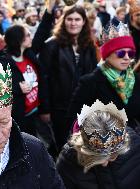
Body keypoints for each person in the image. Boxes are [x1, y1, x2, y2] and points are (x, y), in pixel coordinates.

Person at [38, 5, 98, 151]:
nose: (73, 23)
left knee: (83, 146)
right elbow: (43, 78)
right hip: (59, 107)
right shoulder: (52, 44)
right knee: (64, 147)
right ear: (63, 21)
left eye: (77, 19)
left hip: (85, 106)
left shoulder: (89, 44)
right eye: (69, 19)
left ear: (84, 21)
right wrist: (45, 108)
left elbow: (94, 75)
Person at [67, 23, 140, 132]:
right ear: (107, 54)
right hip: (103, 144)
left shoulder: (136, 79)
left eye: (130, 53)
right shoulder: (90, 82)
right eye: (120, 53)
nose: (126, 57)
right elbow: (74, 120)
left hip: (134, 143)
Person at [56, 100, 140, 189]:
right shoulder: (69, 159)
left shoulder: (134, 143)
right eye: (96, 157)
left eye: (113, 156)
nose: (104, 164)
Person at [0, 25, 50, 141]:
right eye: (28, 35)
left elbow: (41, 34)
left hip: (35, 111)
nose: (31, 38)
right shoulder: (5, 63)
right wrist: (16, 88)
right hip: (19, 115)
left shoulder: (29, 55)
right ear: (19, 39)